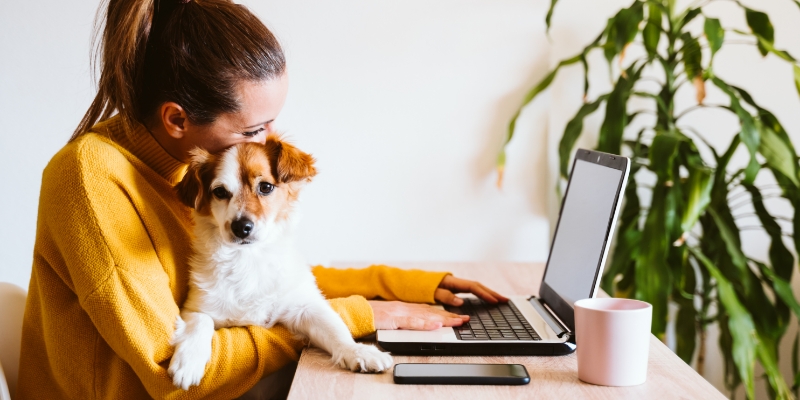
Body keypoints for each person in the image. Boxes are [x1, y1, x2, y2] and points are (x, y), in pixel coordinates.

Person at [17, 0, 509, 399]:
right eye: (254, 128)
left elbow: (265, 279)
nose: (269, 142)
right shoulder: (91, 180)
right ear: (176, 120)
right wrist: (349, 319)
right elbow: (174, 374)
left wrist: (404, 286)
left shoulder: (196, 168)